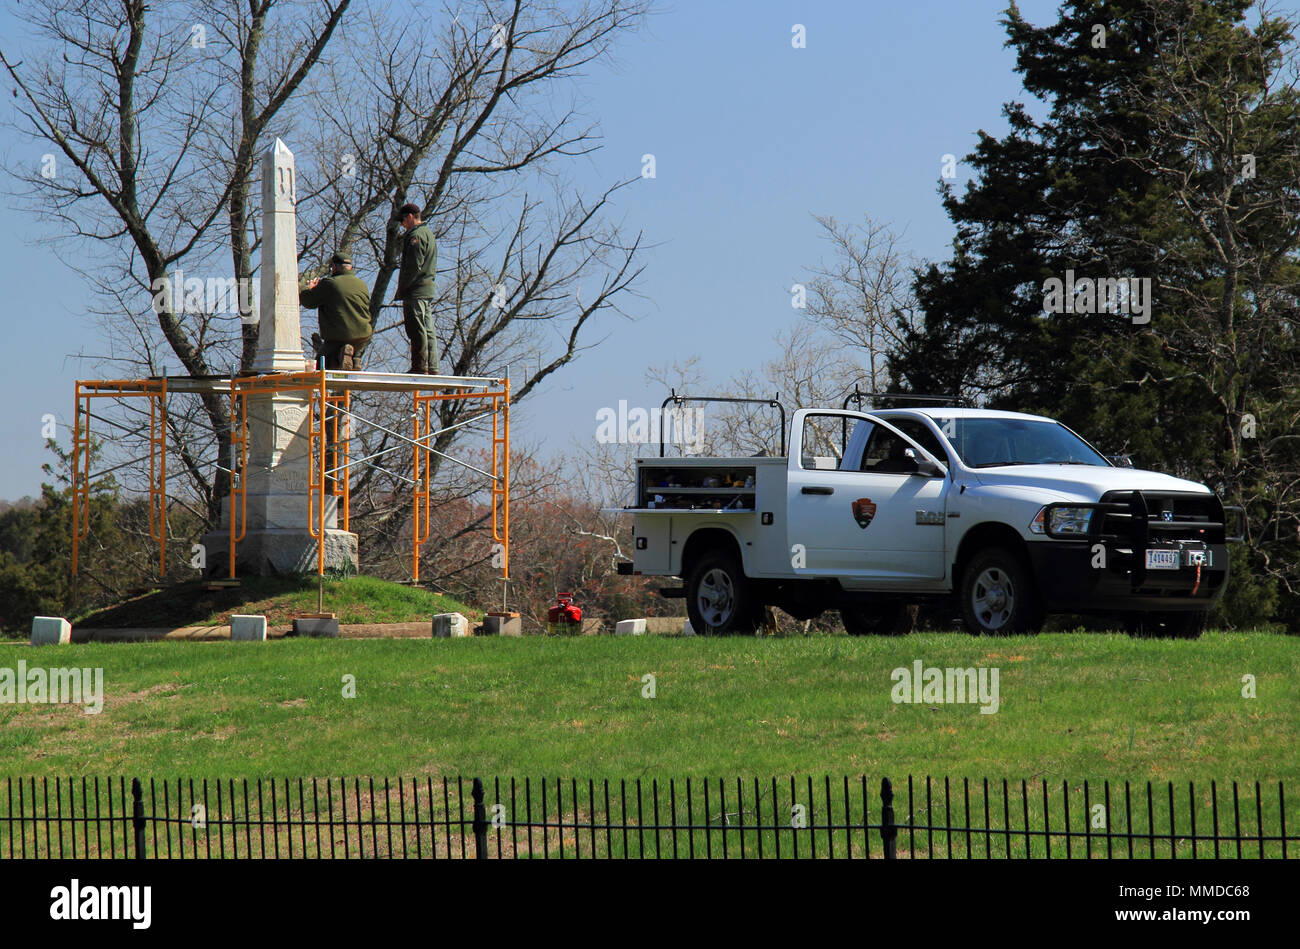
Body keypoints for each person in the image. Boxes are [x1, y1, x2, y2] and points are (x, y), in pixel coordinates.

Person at [299, 252, 373, 370]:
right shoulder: (362, 284)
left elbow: (308, 301)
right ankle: (354, 358)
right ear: (351, 268)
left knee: (320, 367)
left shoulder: (329, 283)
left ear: (334, 267)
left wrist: (309, 288)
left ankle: (344, 356)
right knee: (346, 352)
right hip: (363, 335)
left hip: (340, 336)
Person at [388, 202, 438, 374]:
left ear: (409, 217)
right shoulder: (428, 234)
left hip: (415, 291)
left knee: (416, 329)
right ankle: (432, 366)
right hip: (427, 289)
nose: (402, 225)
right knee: (428, 329)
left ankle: (419, 366)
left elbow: (413, 267)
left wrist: (402, 288)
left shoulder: (415, 236)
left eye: (402, 221)